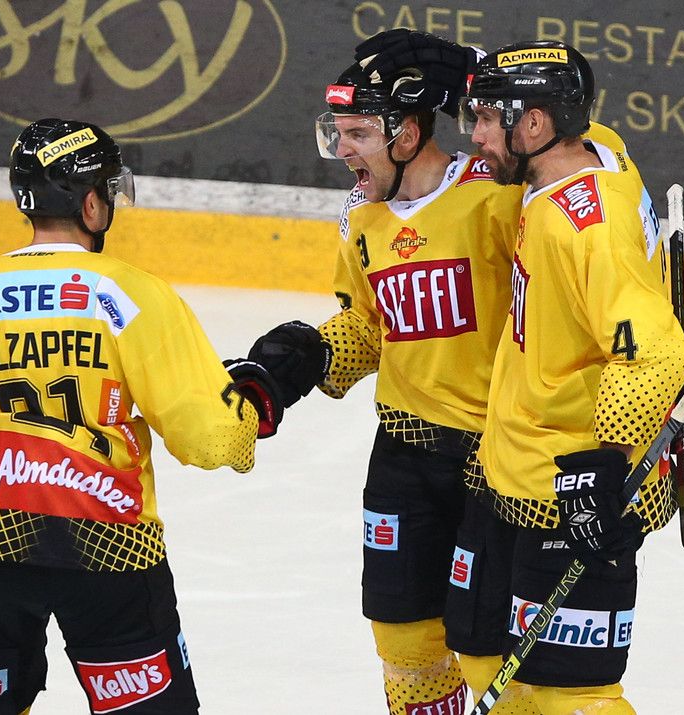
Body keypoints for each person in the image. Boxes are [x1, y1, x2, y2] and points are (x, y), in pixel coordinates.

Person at [0, 117, 287, 715]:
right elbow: (211, 441)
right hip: (110, 547)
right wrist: (249, 404)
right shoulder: (133, 295)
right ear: (90, 203)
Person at [242, 42, 525, 713]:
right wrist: (308, 357)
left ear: (410, 131)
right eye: (338, 132)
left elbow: (574, 265)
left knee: (489, 656)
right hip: (404, 453)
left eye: (359, 134)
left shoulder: (497, 197)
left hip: (494, 458)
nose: (343, 150)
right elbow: (370, 326)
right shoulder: (361, 215)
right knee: (403, 640)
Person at [442, 41, 684, 713]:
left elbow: (653, 353)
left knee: (572, 694)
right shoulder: (593, 151)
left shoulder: (587, 226)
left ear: (536, 125)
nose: (476, 138)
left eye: (488, 119)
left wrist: (603, 472)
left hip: (569, 484)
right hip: (509, 465)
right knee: (482, 654)